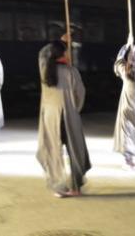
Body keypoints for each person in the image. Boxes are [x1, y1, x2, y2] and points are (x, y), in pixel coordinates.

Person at [36, 40, 91, 197]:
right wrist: (75, 109)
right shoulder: (71, 71)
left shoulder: (45, 69)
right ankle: (75, 187)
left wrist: (58, 42)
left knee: (52, 149)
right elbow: (80, 94)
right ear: (64, 53)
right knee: (75, 150)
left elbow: (42, 53)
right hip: (69, 113)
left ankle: (59, 186)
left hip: (50, 116)